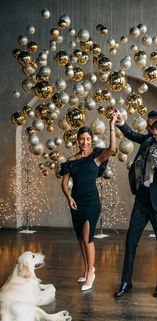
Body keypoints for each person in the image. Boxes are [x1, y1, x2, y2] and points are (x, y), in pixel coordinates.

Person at [113, 110, 157, 298]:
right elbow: (131, 134)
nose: (148, 129)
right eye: (148, 126)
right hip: (141, 200)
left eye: (151, 125)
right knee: (130, 241)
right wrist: (120, 122)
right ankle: (126, 282)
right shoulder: (149, 140)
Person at [59, 115, 117, 291]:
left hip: (92, 202)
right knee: (80, 240)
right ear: (77, 140)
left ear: (92, 140)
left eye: (88, 139)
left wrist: (111, 125)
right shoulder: (71, 161)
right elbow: (64, 183)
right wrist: (69, 198)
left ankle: (91, 273)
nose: (85, 142)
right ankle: (86, 270)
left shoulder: (96, 157)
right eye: (82, 139)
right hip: (76, 202)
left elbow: (112, 149)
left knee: (87, 238)